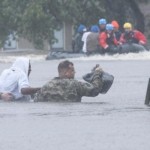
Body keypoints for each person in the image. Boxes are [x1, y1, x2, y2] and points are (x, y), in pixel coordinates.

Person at [34, 60, 104, 102]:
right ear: (66, 73)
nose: (75, 72)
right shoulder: (74, 84)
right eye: (73, 70)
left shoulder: (45, 86)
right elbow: (95, 90)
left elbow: (36, 101)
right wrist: (97, 73)